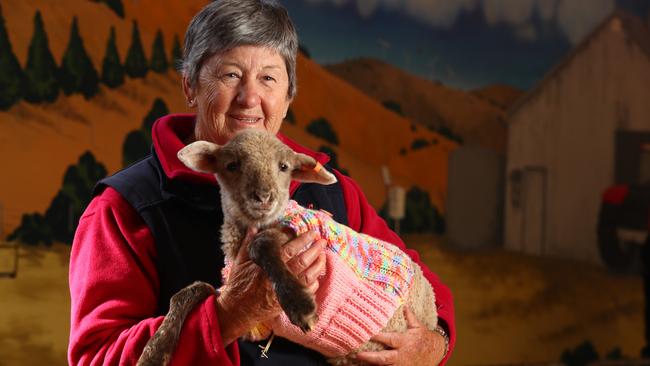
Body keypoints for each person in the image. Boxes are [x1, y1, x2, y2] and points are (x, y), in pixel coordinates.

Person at [68, 0, 456, 365]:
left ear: (288, 97)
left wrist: (432, 344)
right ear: (190, 86)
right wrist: (226, 316)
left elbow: (425, 288)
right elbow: (94, 356)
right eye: (230, 74)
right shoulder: (125, 208)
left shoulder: (331, 189)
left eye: (269, 78)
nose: (249, 98)